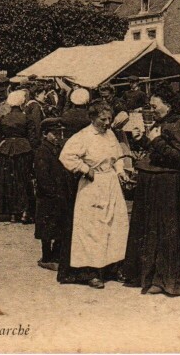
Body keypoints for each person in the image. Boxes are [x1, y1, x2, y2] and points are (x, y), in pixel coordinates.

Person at [123, 83, 180, 296]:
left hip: (173, 186)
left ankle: (168, 279)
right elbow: (158, 149)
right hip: (158, 184)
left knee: (169, 233)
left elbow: (177, 156)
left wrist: (155, 140)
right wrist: (145, 140)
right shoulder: (164, 121)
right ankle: (154, 275)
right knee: (155, 231)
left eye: (156, 107)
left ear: (168, 104)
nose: (153, 110)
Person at [58, 102, 130, 289]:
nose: (107, 123)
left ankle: (112, 269)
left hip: (111, 183)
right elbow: (66, 155)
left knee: (116, 226)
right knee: (92, 229)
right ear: (92, 118)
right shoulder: (83, 136)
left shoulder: (111, 134)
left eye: (109, 119)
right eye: (103, 119)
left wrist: (121, 171)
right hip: (93, 184)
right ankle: (91, 272)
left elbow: (118, 155)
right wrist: (85, 169)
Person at [0, 90, 37, 223]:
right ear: (22, 103)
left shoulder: (3, 118)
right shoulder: (27, 118)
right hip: (23, 150)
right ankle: (24, 212)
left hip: (6, 150)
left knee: (8, 181)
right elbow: (33, 139)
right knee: (23, 180)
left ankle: (11, 213)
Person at [34, 118, 74, 271]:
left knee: (57, 226)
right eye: (54, 133)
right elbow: (42, 176)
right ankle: (46, 256)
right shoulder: (42, 151)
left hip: (59, 195)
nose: (58, 136)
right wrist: (53, 192)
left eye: (60, 132)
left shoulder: (58, 149)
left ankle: (55, 255)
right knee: (46, 229)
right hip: (47, 197)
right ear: (45, 134)